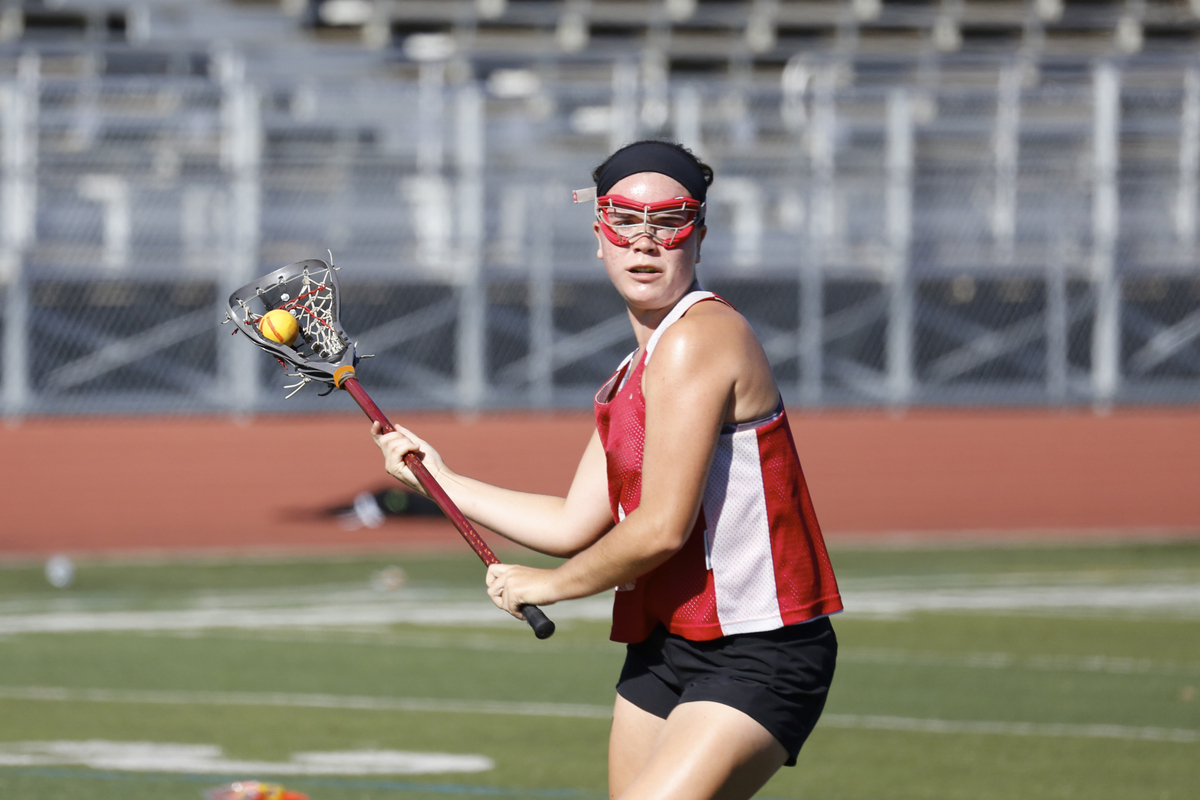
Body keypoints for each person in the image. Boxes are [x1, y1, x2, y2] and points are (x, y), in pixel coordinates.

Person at [373, 139, 843, 800]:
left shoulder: (700, 339)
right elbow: (572, 522)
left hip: (758, 647)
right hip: (667, 643)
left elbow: (660, 529)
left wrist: (552, 586)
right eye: (623, 220)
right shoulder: (631, 372)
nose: (644, 241)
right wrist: (440, 479)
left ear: (699, 236)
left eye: (668, 221)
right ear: (598, 236)